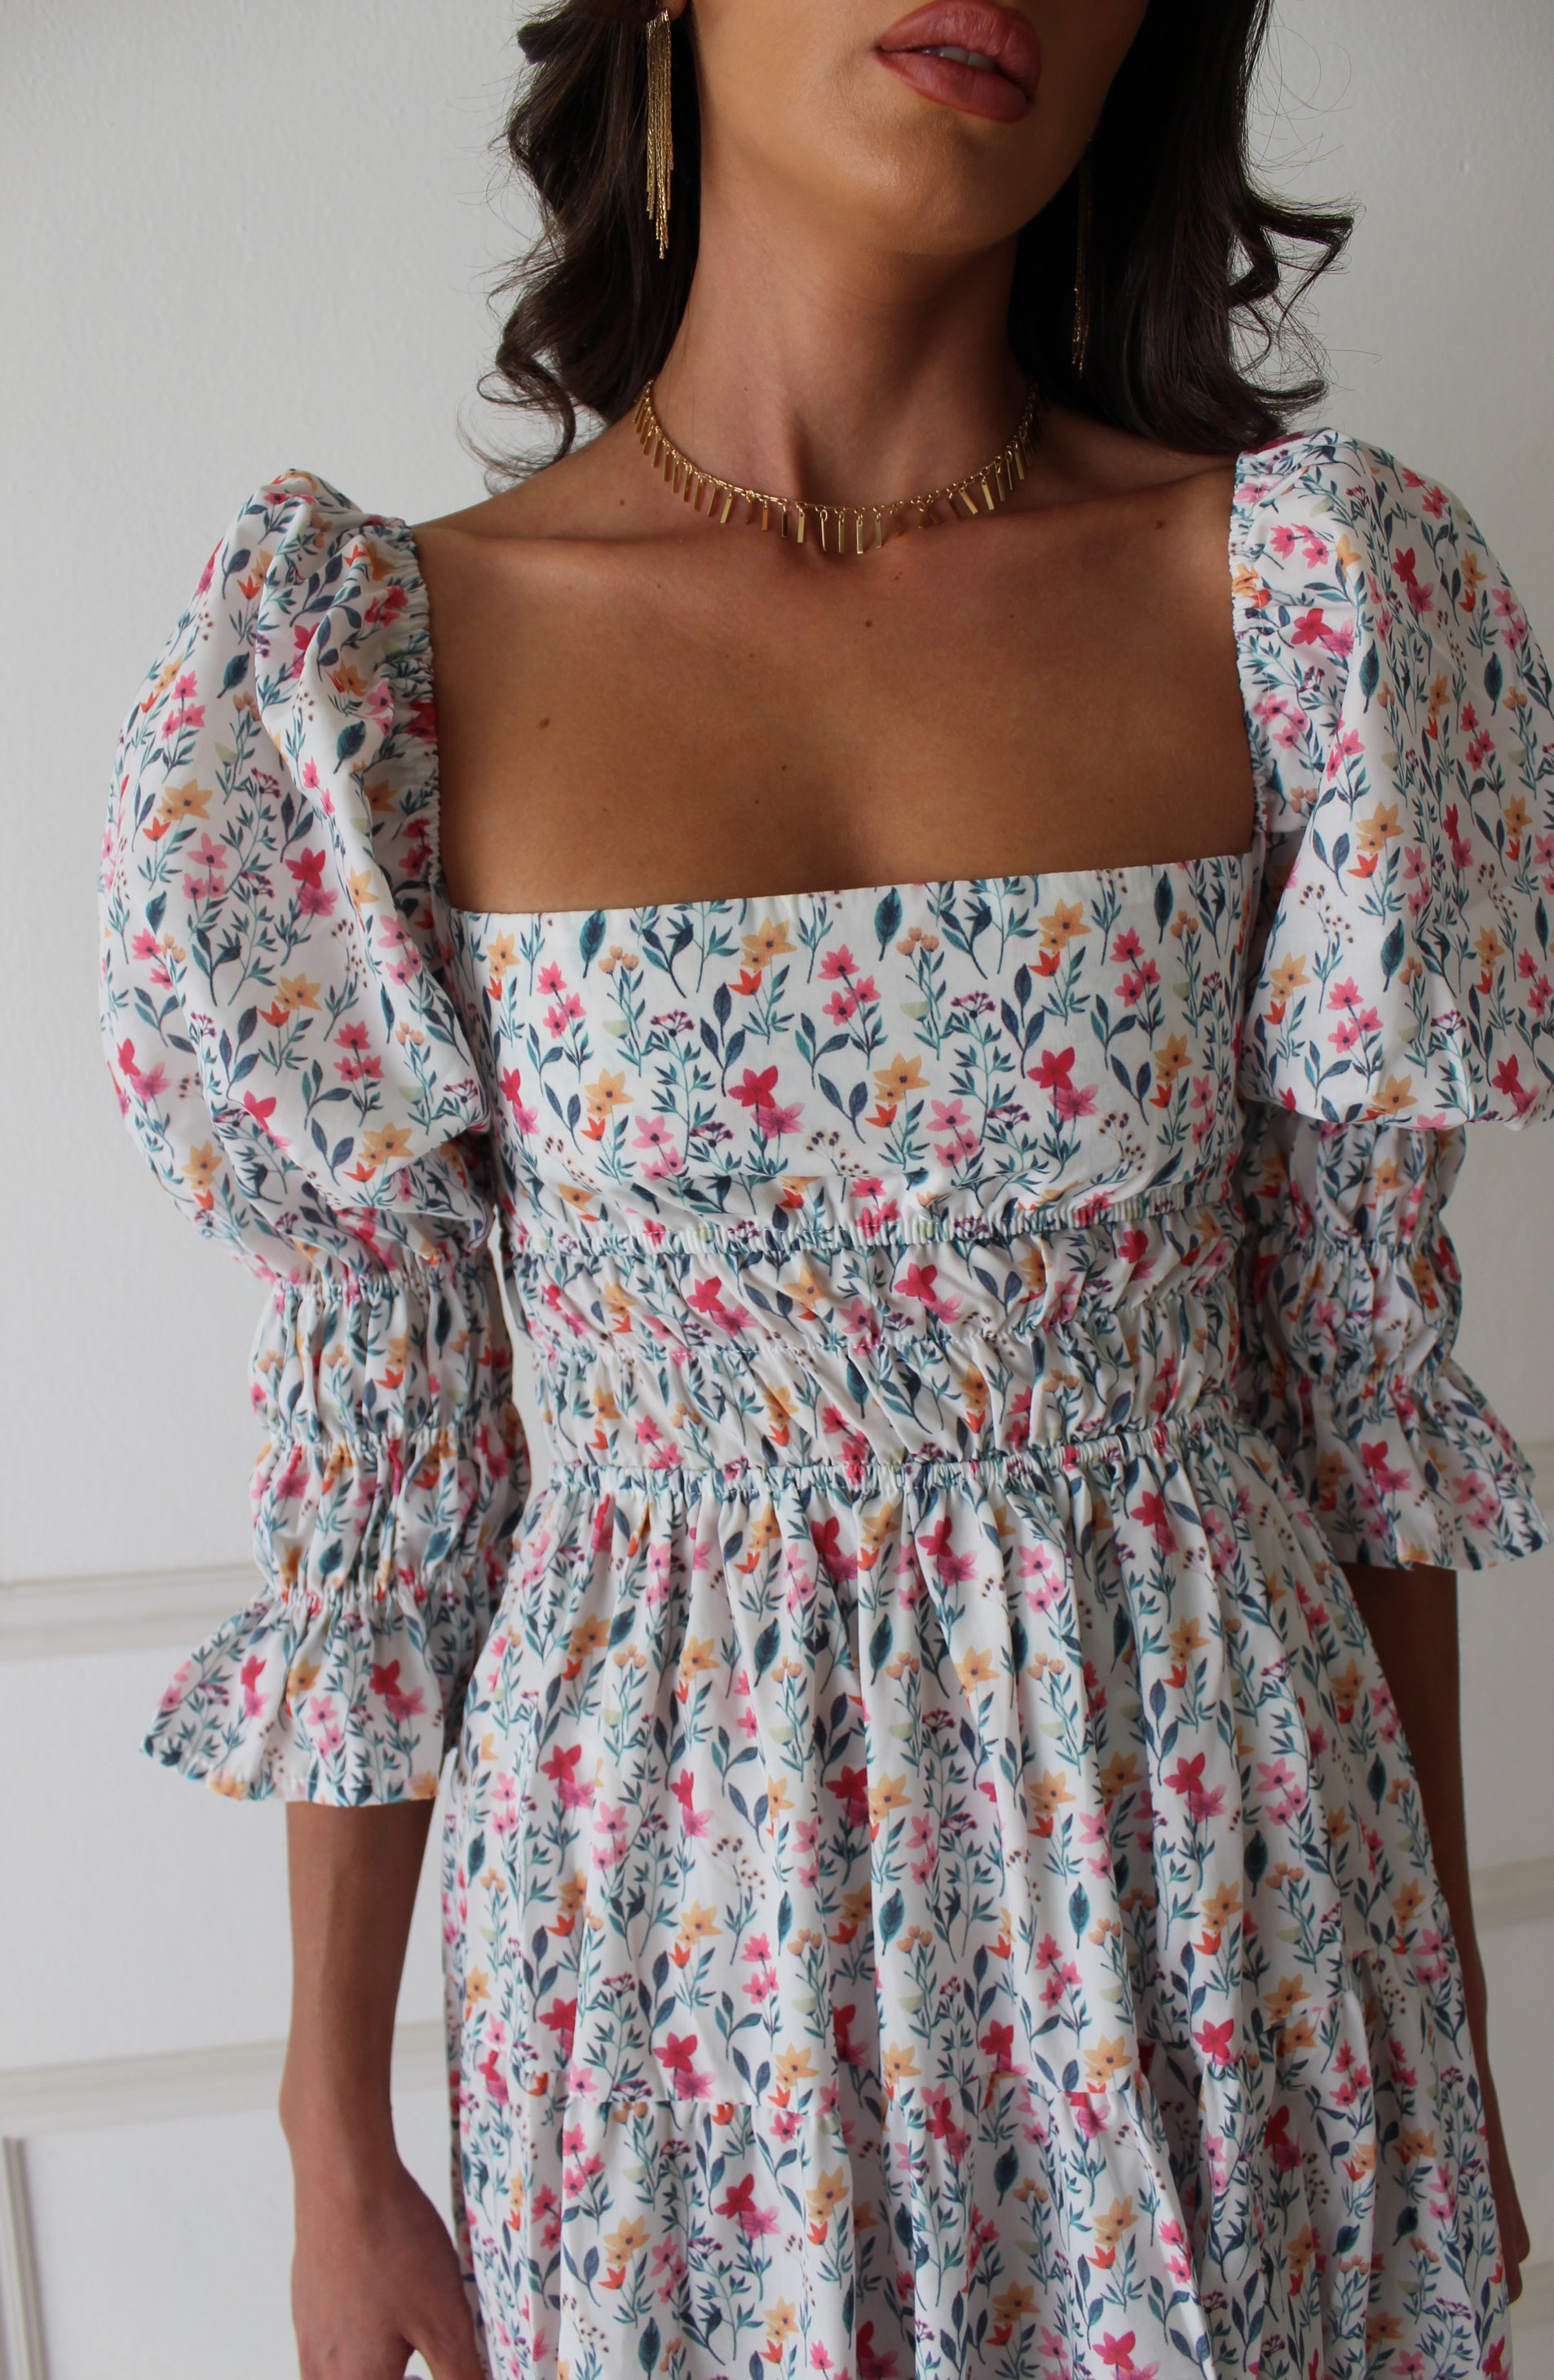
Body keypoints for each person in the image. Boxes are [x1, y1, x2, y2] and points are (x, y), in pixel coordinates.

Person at [96, 1, 1548, 2374]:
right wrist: (331, 2143)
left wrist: (1450, 2025)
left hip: (1219, 1919)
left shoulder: (1306, 606)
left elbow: (1356, 1382)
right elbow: (387, 1478)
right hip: (667, 1978)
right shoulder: (370, 673)